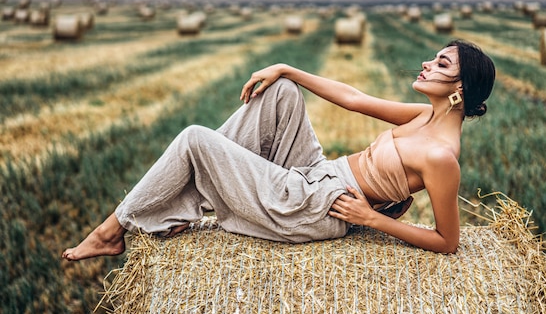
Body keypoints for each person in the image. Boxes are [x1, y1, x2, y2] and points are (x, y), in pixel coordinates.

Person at [62, 39, 495, 261]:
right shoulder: (424, 115)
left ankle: (112, 230)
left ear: (460, 87)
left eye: (441, 64)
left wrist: (371, 220)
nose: (427, 63)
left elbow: (447, 242)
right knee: (283, 92)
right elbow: (354, 99)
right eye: (434, 57)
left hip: (317, 206)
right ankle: (188, 197)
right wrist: (286, 67)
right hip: (319, 173)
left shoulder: (441, 155)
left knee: (196, 137)